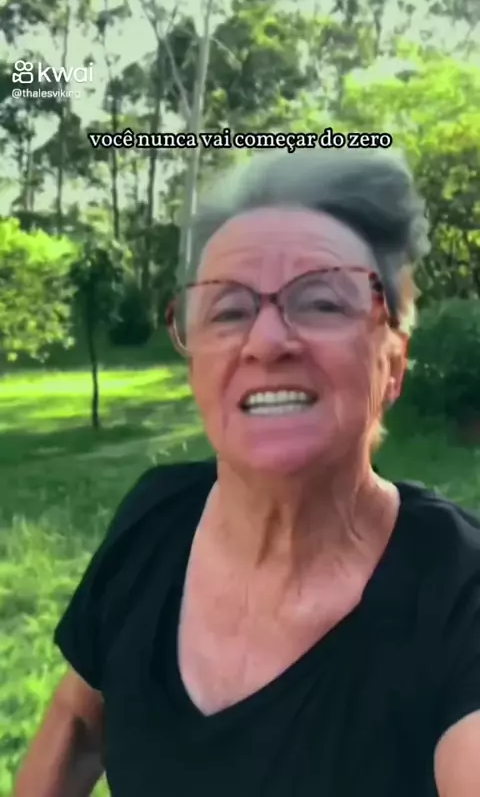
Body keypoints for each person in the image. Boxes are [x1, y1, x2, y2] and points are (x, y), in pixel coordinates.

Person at [14, 148, 480, 797]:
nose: (265, 342)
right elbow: (80, 720)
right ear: (196, 369)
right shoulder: (156, 517)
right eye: (228, 311)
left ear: (393, 365)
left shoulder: (459, 592)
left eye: (320, 302)